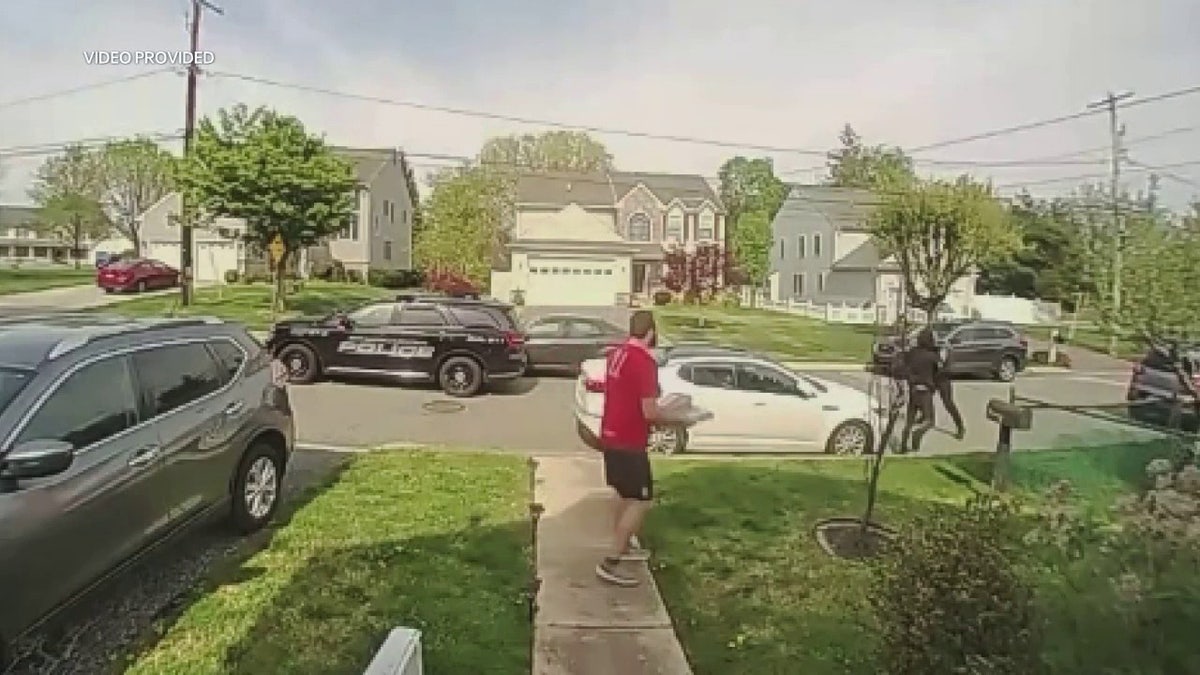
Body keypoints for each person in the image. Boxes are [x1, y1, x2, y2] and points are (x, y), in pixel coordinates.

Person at [595, 309, 663, 587]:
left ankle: (623, 543)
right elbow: (649, 412)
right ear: (651, 332)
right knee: (641, 500)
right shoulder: (644, 361)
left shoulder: (617, 354)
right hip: (630, 439)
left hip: (610, 434)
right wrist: (677, 417)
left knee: (623, 493)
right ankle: (611, 561)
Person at [899, 327, 939, 454]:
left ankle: (903, 446)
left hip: (913, 391)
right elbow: (940, 372)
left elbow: (903, 365)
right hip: (925, 392)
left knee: (909, 420)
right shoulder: (932, 356)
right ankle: (917, 438)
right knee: (929, 421)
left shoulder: (912, 353)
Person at [935, 341, 966, 440]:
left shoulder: (946, 353)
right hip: (935, 379)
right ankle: (924, 417)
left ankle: (960, 426)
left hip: (943, 380)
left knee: (948, 404)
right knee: (924, 398)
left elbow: (946, 368)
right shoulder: (937, 349)